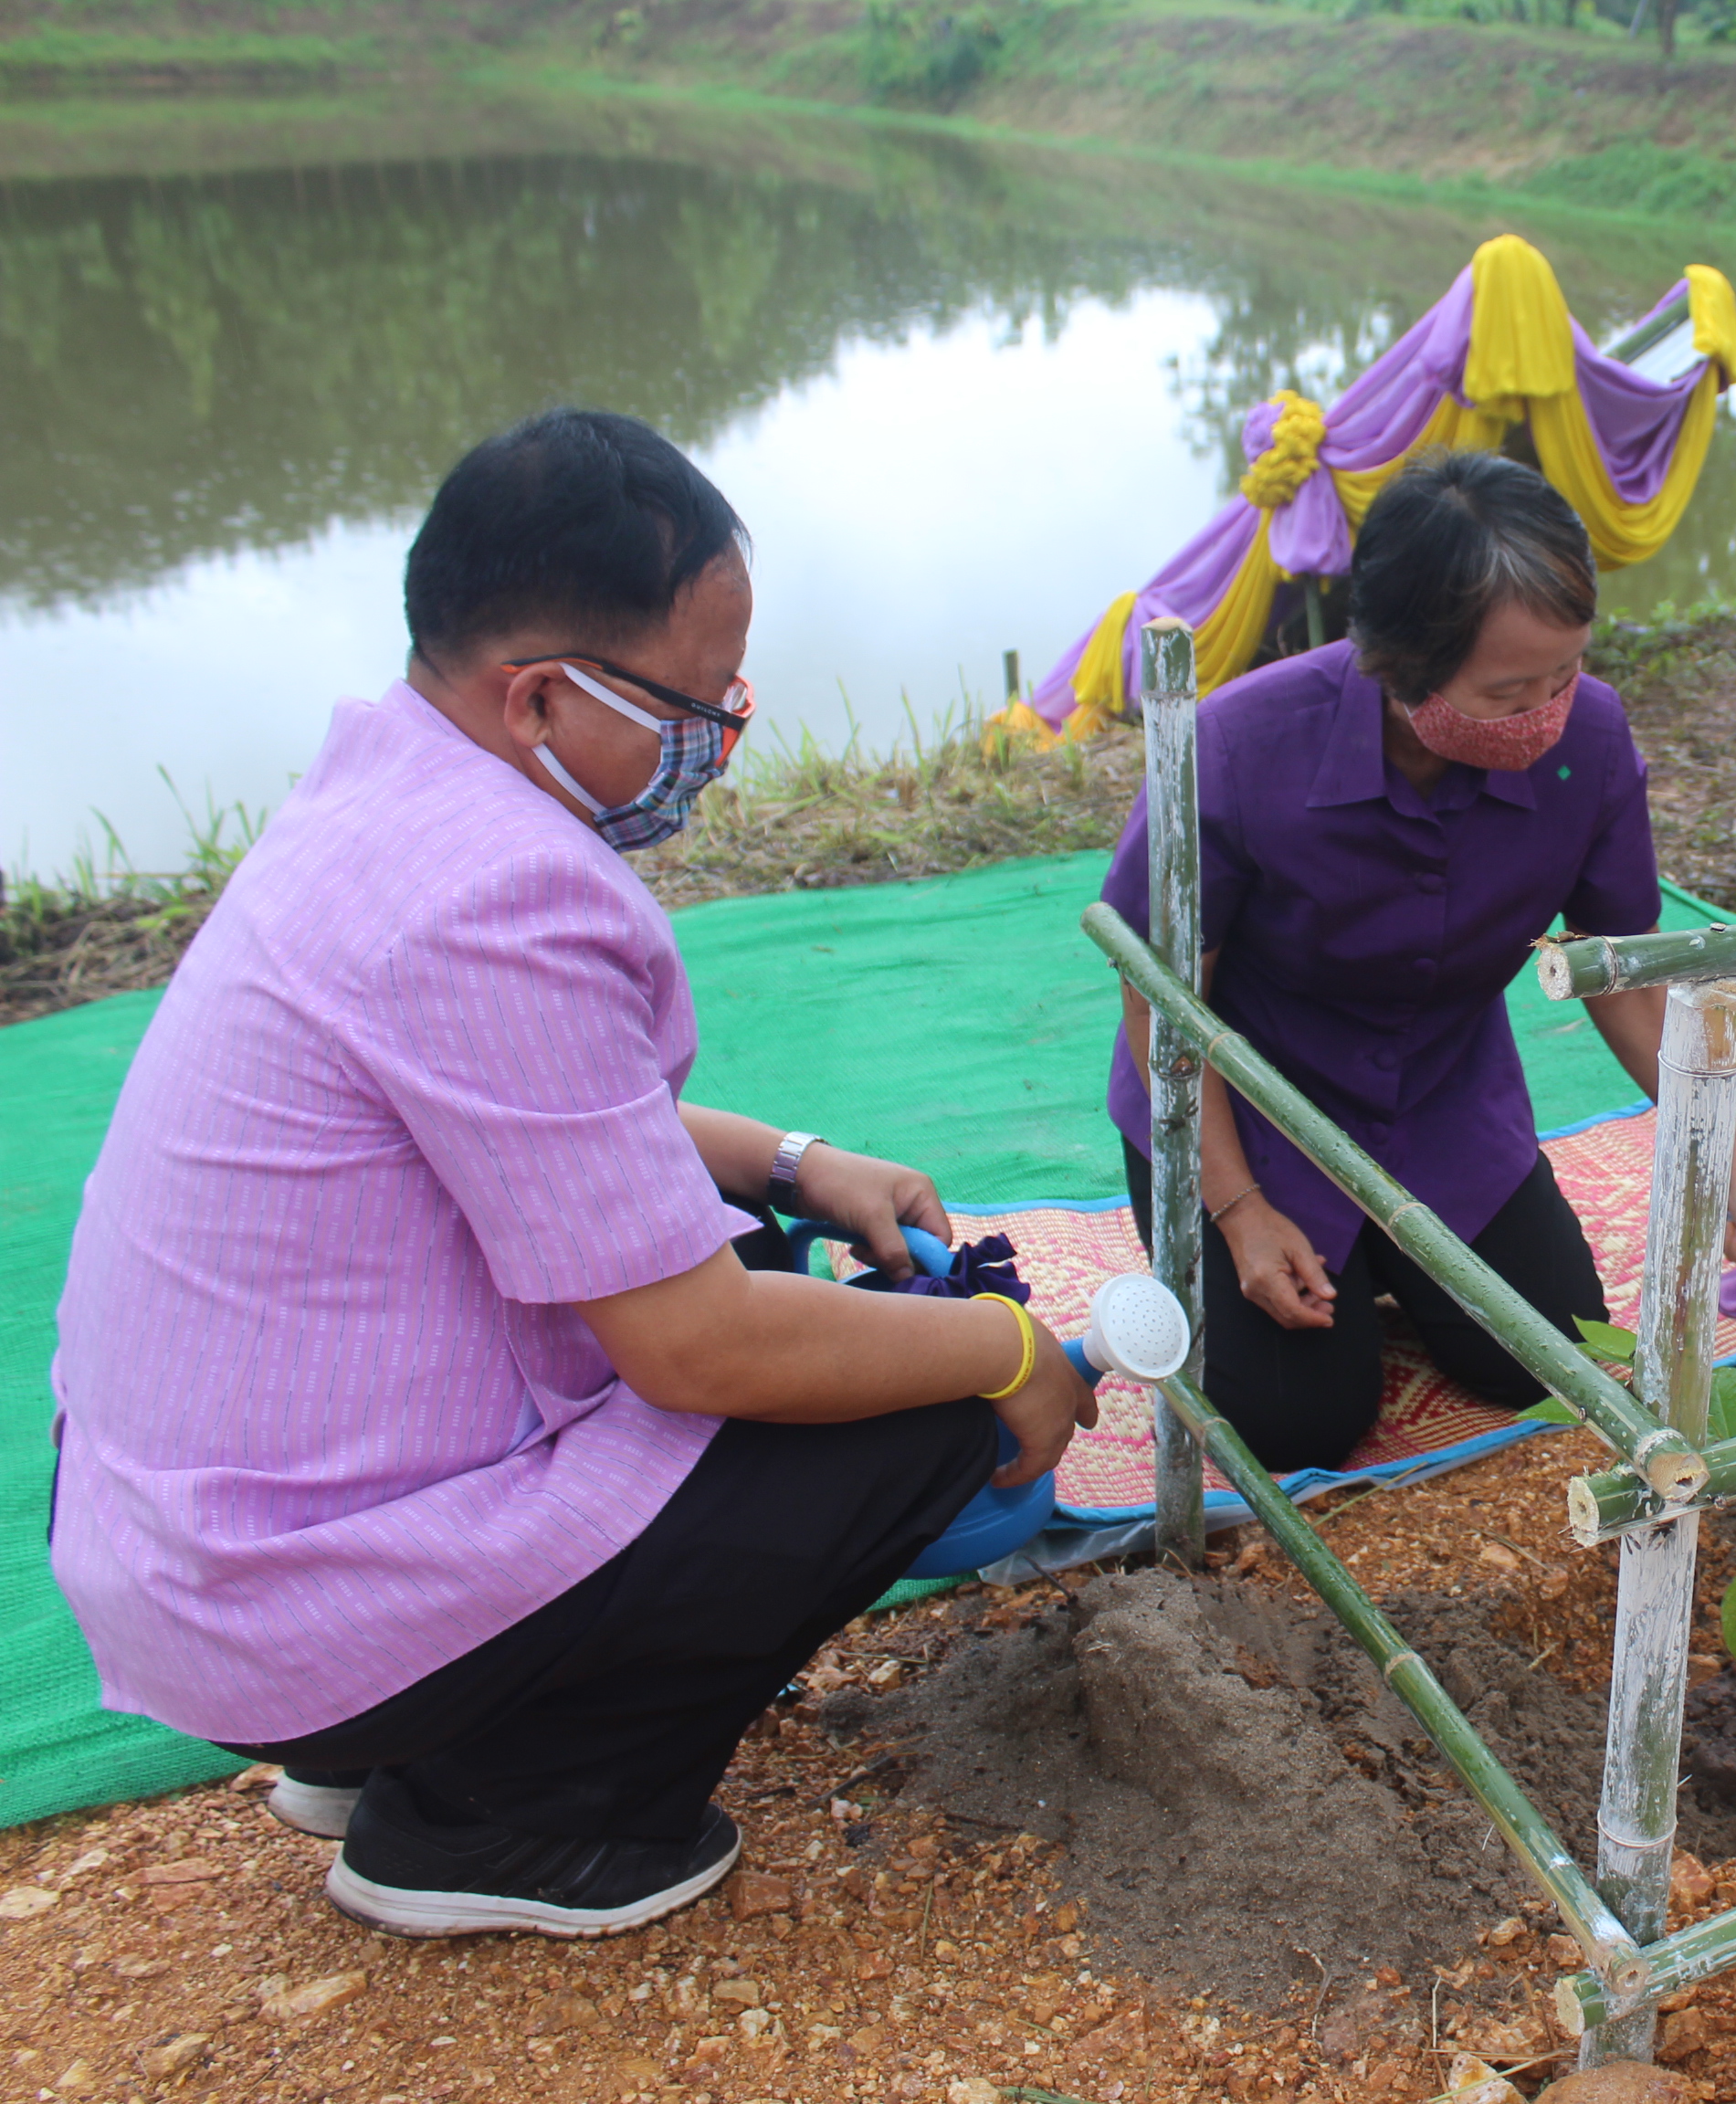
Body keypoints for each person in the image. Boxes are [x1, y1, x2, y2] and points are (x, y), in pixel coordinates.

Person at [48, 409, 1098, 1941]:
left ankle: (382, 1735)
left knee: (752, 1230)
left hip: (195, 1551)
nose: (718, 749)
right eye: (692, 707)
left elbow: (531, 1119)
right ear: (536, 692)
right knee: (915, 1406)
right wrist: (1008, 1345)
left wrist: (800, 1162)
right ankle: (508, 1816)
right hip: (280, 1597)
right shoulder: (502, 894)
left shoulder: (384, 792)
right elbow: (697, 1347)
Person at [1099, 452, 1736, 1471]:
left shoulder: (1591, 744)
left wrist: (1731, 1169)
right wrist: (1239, 1209)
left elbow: (1620, 974)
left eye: (1568, 673)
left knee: (1547, 1354)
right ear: (1399, 666)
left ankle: (1393, 1260)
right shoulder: (1238, 748)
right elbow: (1160, 998)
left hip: (1437, 1100)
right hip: (1247, 1110)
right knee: (1302, 1418)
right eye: (1513, 690)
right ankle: (1315, 1258)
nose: (1551, 712)